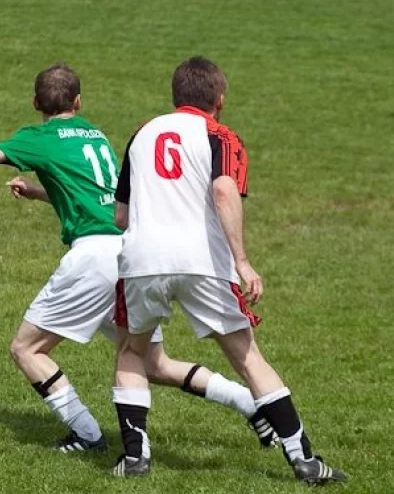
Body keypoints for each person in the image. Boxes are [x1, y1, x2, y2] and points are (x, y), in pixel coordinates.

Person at [0, 63, 277, 453]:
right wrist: (42, 192)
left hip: (93, 258)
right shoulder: (96, 134)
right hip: (130, 256)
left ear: (35, 102)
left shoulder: (39, 137)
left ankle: (86, 432)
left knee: (26, 349)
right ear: (78, 100)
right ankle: (249, 403)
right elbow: (98, 195)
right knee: (153, 364)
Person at [109, 56, 347, 485]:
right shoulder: (221, 135)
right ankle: (305, 460)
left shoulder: (141, 134)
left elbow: (121, 217)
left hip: (142, 260)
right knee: (248, 358)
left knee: (131, 351)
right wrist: (242, 260)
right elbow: (223, 189)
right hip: (204, 262)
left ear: (175, 97)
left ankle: (136, 458)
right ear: (219, 99)